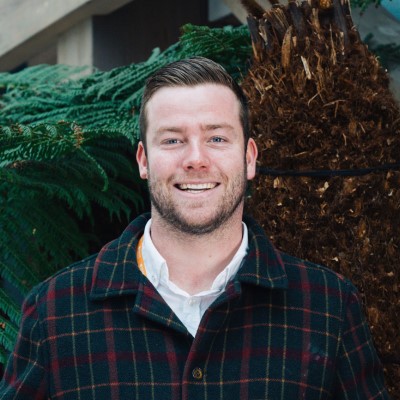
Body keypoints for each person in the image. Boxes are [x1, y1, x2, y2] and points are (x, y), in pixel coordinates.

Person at [0, 57, 390, 399]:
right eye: (172, 140)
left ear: (249, 158)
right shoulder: (55, 312)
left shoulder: (328, 308)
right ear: (143, 160)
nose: (195, 159)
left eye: (217, 138)